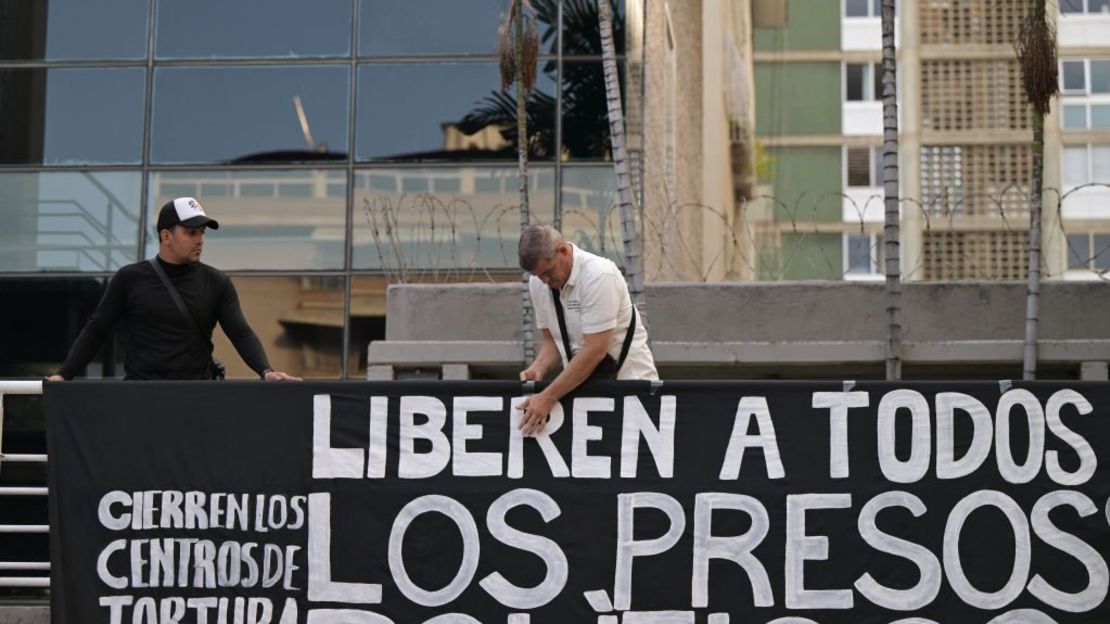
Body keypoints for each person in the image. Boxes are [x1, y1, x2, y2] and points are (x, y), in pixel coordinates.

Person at [47, 197, 300, 382]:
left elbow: (241, 333)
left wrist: (266, 371)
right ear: (166, 236)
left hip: (195, 399)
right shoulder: (129, 279)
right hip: (141, 399)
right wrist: (64, 374)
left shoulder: (217, 282)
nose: (200, 239)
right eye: (191, 232)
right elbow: (96, 330)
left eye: (202, 232)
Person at [516, 224, 657, 435]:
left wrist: (547, 397)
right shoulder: (539, 283)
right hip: (581, 393)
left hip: (630, 389)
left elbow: (595, 350)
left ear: (563, 251)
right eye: (537, 275)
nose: (545, 281)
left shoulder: (599, 275)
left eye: (548, 271)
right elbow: (552, 341)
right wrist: (539, 367)